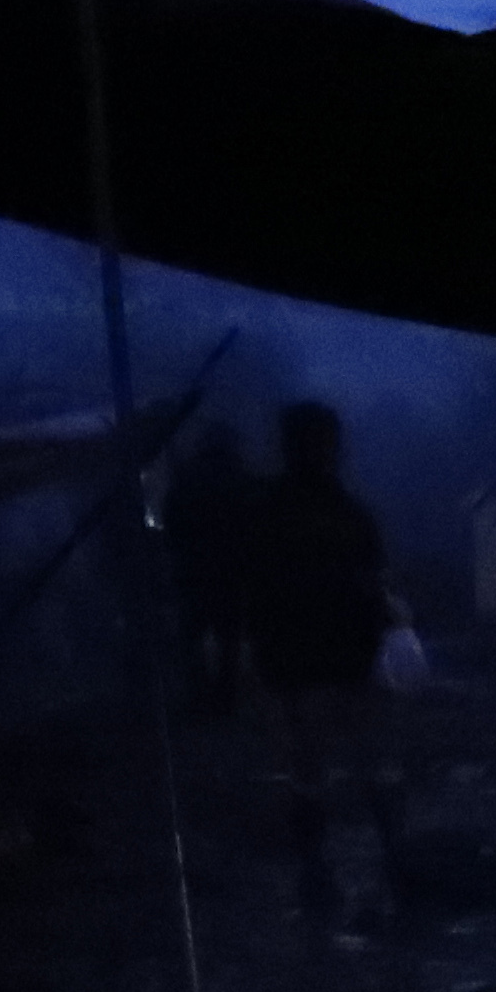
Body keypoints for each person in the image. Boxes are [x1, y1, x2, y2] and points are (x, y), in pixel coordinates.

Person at [233, 398, 410, 929]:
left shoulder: (272, 512)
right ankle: (382, 858)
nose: (331, 451)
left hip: (305, 660)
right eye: (327, 442)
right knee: (357, 764)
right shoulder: (343, 514)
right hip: (336, 658)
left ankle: (326, 867)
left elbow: (252, 589)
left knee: (314, 769)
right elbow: (371, 583)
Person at [163, 422, 260, 716]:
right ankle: (225, 699)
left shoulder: (188, 478)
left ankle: (201, 696)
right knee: (228, 638)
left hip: (195, 570)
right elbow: (256, 526)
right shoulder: (242, 479)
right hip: (231, 572)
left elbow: (172, 521)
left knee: (191, 637)